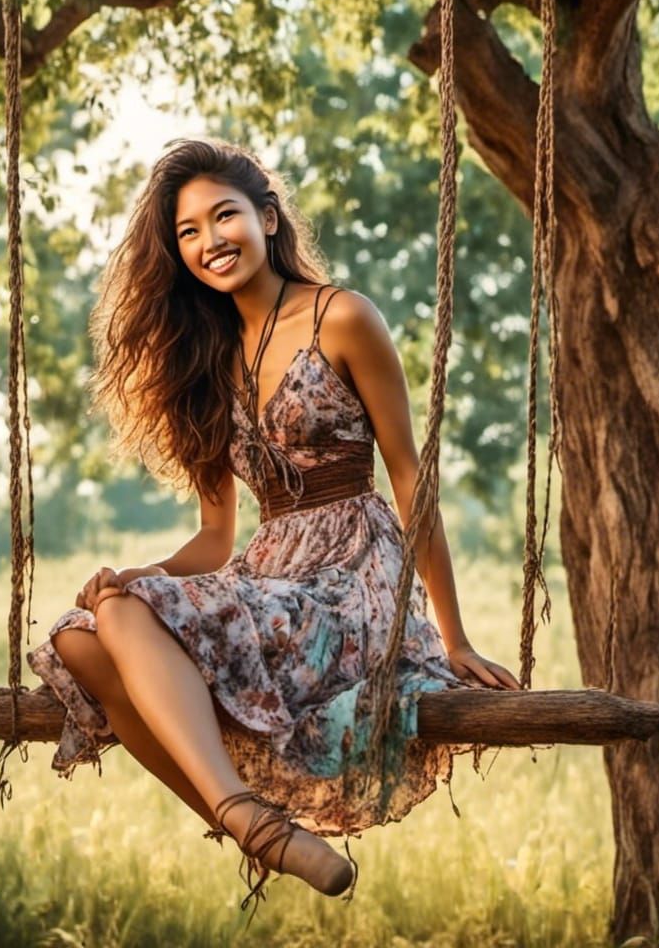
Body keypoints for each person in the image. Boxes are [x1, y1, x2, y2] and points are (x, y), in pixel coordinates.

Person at [26, 136, 521, 920]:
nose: (208, 242)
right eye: (187, 232)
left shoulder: (344, 317)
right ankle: (253, 823)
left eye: (224, 217)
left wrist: (454, 640)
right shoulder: (209, 358)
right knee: (85, 633)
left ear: (265, 216)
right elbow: (217, 540)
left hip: (351, 577)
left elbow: (411, 482)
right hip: (267, 571)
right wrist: (137, 578)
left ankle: (248, 822)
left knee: (124, 617)